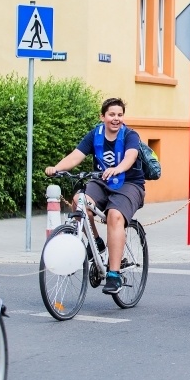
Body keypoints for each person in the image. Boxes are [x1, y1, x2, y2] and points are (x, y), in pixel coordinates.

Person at [45, 97, 145, 294]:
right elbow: (76, 156)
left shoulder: (131, 135)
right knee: (78, 201)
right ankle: (97, 242)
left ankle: (114, 274)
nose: (116, 119)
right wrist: (56, 168)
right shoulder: (95, 135)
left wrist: (118, 169)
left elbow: (130, 157)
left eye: (119, 115)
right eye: (111, 115)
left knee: (114, 215)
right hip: (101, 181)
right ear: (103, 116)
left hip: (129, 183)